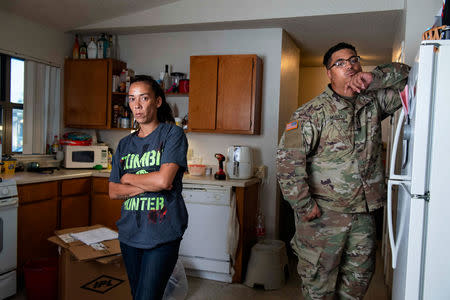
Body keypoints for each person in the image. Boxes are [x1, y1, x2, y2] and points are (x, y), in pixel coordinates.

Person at [276, 42, 410, 299]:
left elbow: (411, 81)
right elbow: (287, 164)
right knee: (319, 289)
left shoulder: (373, 103)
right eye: (340, 63)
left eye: (354, 60)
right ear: (329, 72)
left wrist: (375, 77)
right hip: (323, 219)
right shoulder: (309, 114)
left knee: (356, 287)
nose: (349, 65)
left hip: (364, 217)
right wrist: (304, 206)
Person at [109, 75, 188, 300]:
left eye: (144, 98)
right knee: (138, 295)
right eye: (132, 99)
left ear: (158, 101)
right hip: (129, 233)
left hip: (162, 232)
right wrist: (147, 185)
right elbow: (113, 191)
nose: (137, 105)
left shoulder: (173, 134)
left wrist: (129, 177)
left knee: (147, 297)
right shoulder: (124, 144)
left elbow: (164, 182)